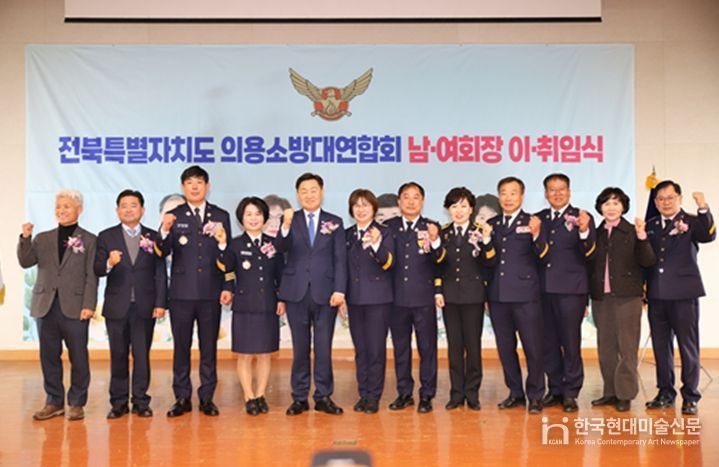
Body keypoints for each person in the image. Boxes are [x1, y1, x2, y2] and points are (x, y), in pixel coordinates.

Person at [17, 189, 98, 421]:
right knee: (49, 356)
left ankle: (77, 402)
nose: (61, 210)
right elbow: (26, 261)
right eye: (58, 207)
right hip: (46, 306)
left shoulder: (90, 240)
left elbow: (91, 276)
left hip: (76, 307)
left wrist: (89, 304)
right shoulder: (42, 238)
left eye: (67, 206)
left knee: (79, 357)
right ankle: (54, 401)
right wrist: (25, 238)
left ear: (79, 209)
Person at [158, 165, 232, 417]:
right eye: (190, 182)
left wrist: (227, 285)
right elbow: (161, 252)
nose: (195, 187)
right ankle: (181, 397)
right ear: (183, 187)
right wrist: (164, 230)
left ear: (207, 186)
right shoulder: (173, 215)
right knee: (181, 347)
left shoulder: (220, 215)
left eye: (199, 182)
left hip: (211, 292)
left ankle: (207, 397)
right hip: (181, 294)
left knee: (208, 347)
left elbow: (227, 257)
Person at [276, 173, 347, 416]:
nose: (309, 195)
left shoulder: (334, 222)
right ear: (297, 195)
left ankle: (323, 395)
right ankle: (299, 397)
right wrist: (285, 226)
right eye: (303, 191)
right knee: (300, 348)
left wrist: (340, 290)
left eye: (313, 190)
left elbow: (340, 259)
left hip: (326, 294)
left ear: (322, 192)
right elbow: (279, 249)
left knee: (323, 348)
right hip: (296, 293)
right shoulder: (289, 220)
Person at [94, 189, 167, 419]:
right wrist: (109, 262)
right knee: (118, 354)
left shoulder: (153, 236)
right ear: (117, 210)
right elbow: (97, 269)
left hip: (145, 306)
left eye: (133, 205)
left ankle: (141, 401)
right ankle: (118, 403)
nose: (128, 210)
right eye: (123, 206)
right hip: (117, 306)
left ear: (142, 210)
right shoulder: (106, 236)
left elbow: (159, 272)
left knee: (142, 355)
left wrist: (160, 303)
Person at [645, 181, 715, 415]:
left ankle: (690, 395)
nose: (665, 202)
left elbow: (708, 236)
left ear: (679, 198)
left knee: (688, 346)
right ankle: (665, 392)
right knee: (660, 347)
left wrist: (703, 207)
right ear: (655, 202)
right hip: (657, 294)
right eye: (660, 199)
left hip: (684, 294)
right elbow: (645, 259)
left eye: (670, 197)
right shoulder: (650, 225)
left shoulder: (692, 222)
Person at [588, 187, 655, 412]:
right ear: (600, 207)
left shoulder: (633, 231)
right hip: (601, 297)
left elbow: (648, 261)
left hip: (628, 297)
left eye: (616, 203)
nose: (611, 208)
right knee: (606, 347)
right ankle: (610, 392)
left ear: (623, 207)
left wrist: (642, 236)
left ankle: (625, 394)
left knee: (626, 347)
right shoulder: (595, 233)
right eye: (607, 203)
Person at [486, 177, 548, 414]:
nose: (508, 198)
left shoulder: (532, 222)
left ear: (522, 196)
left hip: (526, 296)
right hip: (498, 295)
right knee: (505, 348)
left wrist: (537, 234)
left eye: (513, 193)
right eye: (504, 193)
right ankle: (515, 393)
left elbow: (544, 255)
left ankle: (536, 395)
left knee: (533, 347)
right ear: (498, 196)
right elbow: (486, 262)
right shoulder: (491, 224)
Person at [536, 174, 596, 412]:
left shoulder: (582, 217)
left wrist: (584, 230)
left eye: (561, 189)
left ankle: (571, 392)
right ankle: (555, 389)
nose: (557, 193)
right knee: (548, 343)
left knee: (570, 343)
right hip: (543, 290)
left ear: (569, 192)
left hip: (572, 290)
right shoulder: (538, 219)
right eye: (552, 189)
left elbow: (590, 253)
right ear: (545, 194)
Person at [220, 197, 284, 416]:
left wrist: (282, 298)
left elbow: (280, 273)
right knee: (245, 354)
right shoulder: (235, 244)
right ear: (241, 219)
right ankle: (249, 396)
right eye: (249, 214)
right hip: (244, 305)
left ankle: (260, 394)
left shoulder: (273, 244)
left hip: (268, 304)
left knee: (265, 353)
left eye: (258, 214)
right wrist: (227, 289)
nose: (253, 218)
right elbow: (228, 271)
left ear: (264, 218)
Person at [385, 181, 445, 413]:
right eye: (406, 197)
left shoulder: (432, 227)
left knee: (427, 348)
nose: (411, 201)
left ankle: (427, 394)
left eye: (416, 197)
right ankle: (404, 393)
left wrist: (436, 240)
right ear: (399, 201)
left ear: (422, 201)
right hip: (396, 299)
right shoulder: (388, 227)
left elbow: (440, 261)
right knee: (401, 348)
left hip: (423, 298)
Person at [436, 187, 496, 410]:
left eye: (463, 206)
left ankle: (472, 393)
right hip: (450, 296)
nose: (459, 211)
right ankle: (456, 394)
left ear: (471, 209)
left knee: (473, 346)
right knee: (454, 347)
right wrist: (438, 290)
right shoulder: (443, 233)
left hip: (473, 296)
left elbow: (490, 262)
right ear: (448, 210)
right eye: (454, 206)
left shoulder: (481, 231)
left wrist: (487, 240)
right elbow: (436, 264)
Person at [340, 189, 395, 414]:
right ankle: (363, 393)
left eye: (365, 205)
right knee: (361, 350)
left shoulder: (385, 232)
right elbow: (341, 268)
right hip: (354, 299)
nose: (361, 210)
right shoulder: (346, 235)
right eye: (357, 206)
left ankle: (374, 396)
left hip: (378, 300)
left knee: (375, 350)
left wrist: (376, 244)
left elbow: (389, 263)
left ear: (374, 209)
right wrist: (342, 297)